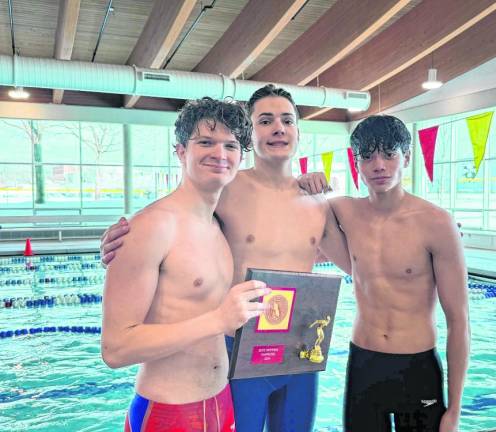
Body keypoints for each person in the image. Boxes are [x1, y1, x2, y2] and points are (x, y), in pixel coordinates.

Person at [100, 85, 350, 432]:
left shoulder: (317, 201)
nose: (278, 128)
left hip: (298, 349)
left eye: (287, 121)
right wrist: (124, 239)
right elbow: (170, 224)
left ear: (298, 131)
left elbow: (355, 262)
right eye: (265, 120)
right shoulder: (224, 192)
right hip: (238, 352)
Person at [100, 98, 271, 432]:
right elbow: (115, 349)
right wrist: (218, 320)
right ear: (180, 151)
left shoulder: (220, 225)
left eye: (231, 145)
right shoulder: (152, 227)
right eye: (205, 142)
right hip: (168, 412)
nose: (220, 154)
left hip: (222, 404)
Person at [299, 115, 469, 432]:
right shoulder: (343, 210)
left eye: (389, 154)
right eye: (368, 156)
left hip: (416, 367)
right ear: (357, 162)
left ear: (406, 157)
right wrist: (305, 181)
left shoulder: (437, 223)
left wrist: (454, 410)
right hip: (363, 363)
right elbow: (298, 208)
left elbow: (458, 321)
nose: (378, 165)